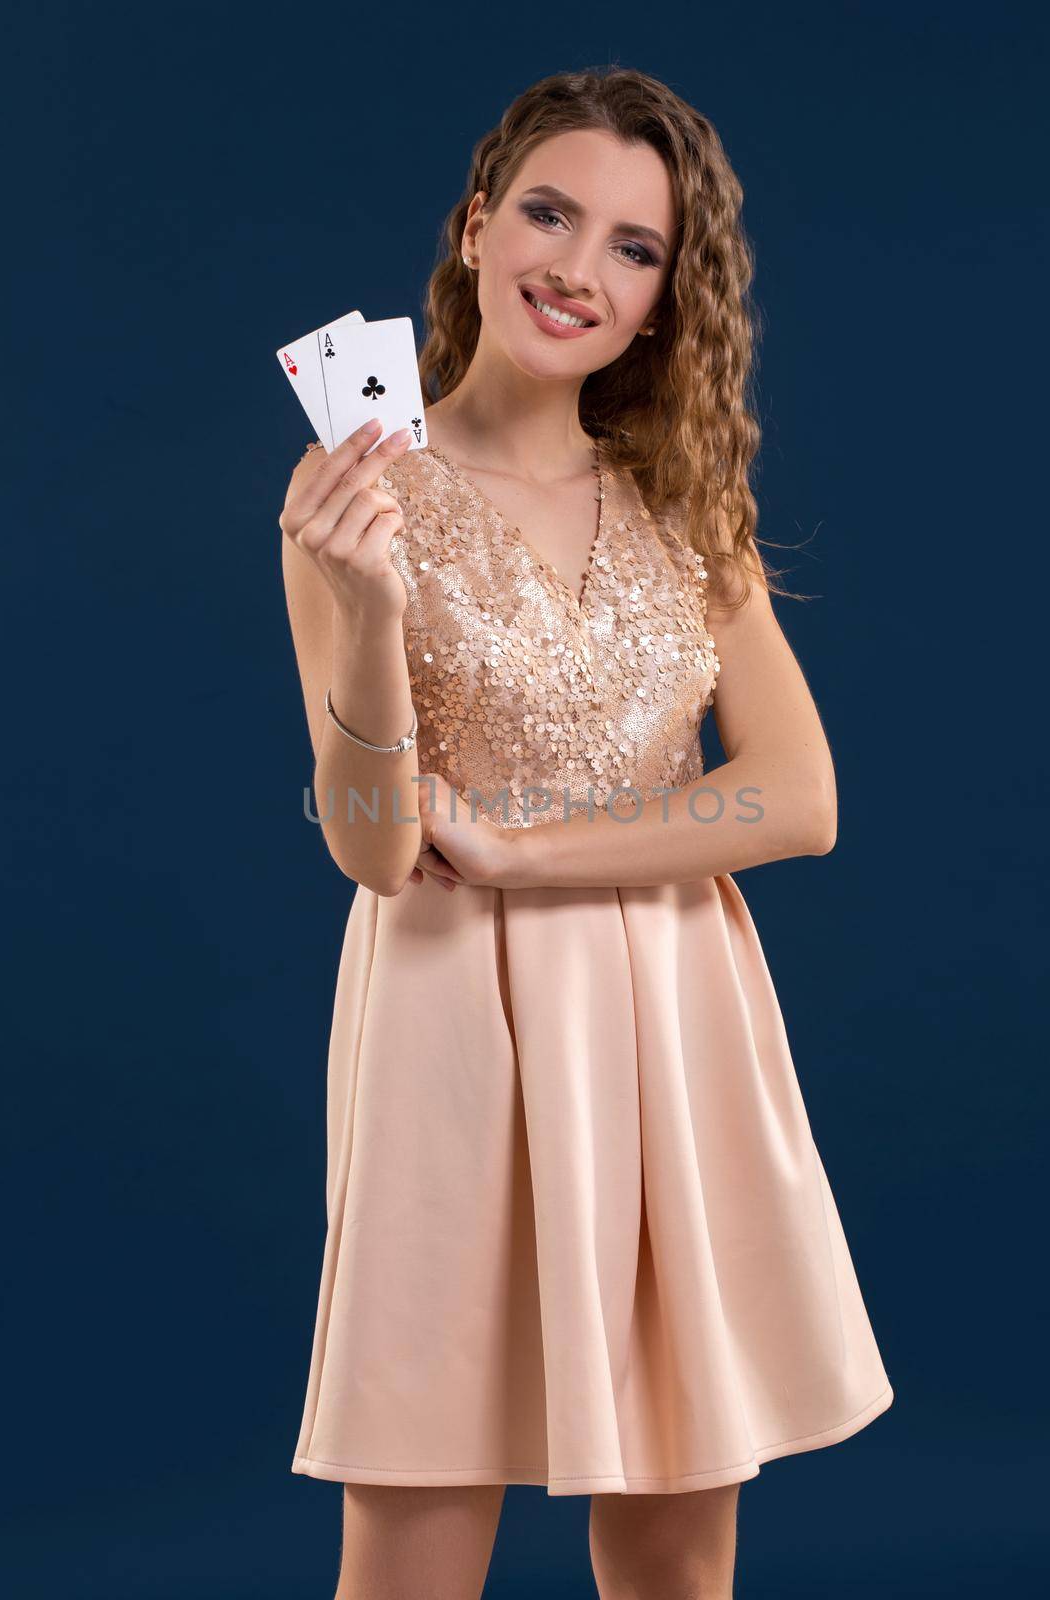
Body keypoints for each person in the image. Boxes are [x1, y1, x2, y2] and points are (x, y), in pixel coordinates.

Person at [278, 66, 894, 1600]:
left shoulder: (684, 502)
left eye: (634, 246)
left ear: (664, 300)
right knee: (415, 1531)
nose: (579, 267)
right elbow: (368, 847)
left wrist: (525, 858)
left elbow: (800, 798)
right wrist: (367, 611)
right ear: (478, 228)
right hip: (447, 1020)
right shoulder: (357, 492)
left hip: (673, 1013)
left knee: (681, 1547)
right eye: (551, 213)